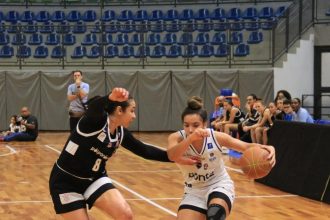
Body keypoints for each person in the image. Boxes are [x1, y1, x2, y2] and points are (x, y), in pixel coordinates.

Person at [49, 87, 197, 220]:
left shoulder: (120, 132)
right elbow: (94, 107)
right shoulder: (94, 123)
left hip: (94, 178)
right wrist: (110, 97)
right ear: (119, 110)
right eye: (132, 110)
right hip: (65, 182)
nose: (134, 116)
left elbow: (145, 150)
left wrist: (175, 158)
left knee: (125, 214)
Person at [167, 96, 276, 220]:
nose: (190, 129)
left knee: (215, 215)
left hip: (218, 184)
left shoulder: (216, 137)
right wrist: (191, 139)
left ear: (205, 124)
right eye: (186, 125)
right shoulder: (176, 138)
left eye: (196, 125)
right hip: (194, 191)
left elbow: (246, 146)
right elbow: (172, 156)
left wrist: (267, 148)